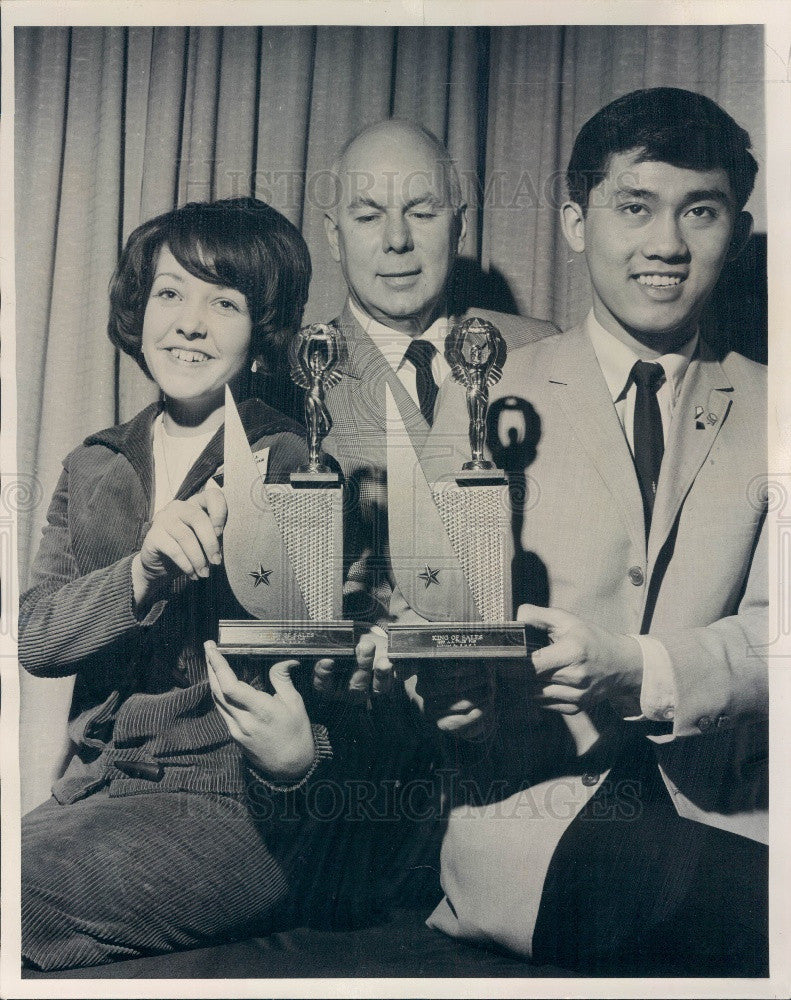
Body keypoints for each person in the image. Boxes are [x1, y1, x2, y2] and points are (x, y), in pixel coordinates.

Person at [401, 88, 768, 975]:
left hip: (727, 812)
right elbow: (438, 607)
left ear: (735, 225)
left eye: (700, 211)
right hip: (531, 813)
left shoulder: (776, 403)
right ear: (573, 220)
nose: (666, 245)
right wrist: (449, 692)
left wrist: (639, 667)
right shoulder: (484, 392)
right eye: (633, 206)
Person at [19, 197, 345, 971]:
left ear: (262, 333)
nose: (189, 323)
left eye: (223, 302)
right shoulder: (92, 463)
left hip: (229, 807)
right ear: (138, 311)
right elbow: (34, 636)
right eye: (170, 293)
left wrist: (301, 753)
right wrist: (140, 574)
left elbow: (333, 666)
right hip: (92, 792)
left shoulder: (295, 462)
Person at [297, 120, 558, 910]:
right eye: (369, 214)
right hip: (366, 790)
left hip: (535, 762)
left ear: (461, 222)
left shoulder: (546, 351)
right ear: (332, 232)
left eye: (422, 210)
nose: (398, 241)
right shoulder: (288, 376)